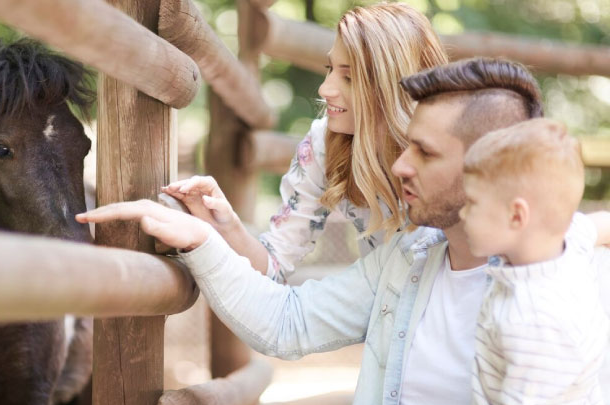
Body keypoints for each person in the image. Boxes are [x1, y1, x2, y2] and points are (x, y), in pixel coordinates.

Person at [78, 57, 552, 405]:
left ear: (487, 171)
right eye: (407, 145)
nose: (401, 165)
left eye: (425, 153)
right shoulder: (409, 259)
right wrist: (200, 240)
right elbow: (289, 322)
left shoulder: (559, 295)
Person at [163, 2, 448, 283]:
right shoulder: (323, 144)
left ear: (392, 85)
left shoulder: (451, 148)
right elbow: (273, 264)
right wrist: (226, 224)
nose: (325, 89)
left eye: (349, 77)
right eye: (330, 68)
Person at [410, 119, 610, 405]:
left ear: (518, 216)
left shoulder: (534, 317)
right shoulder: (571, 240)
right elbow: (603, 224)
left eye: (473, 203)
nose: (462, 214)